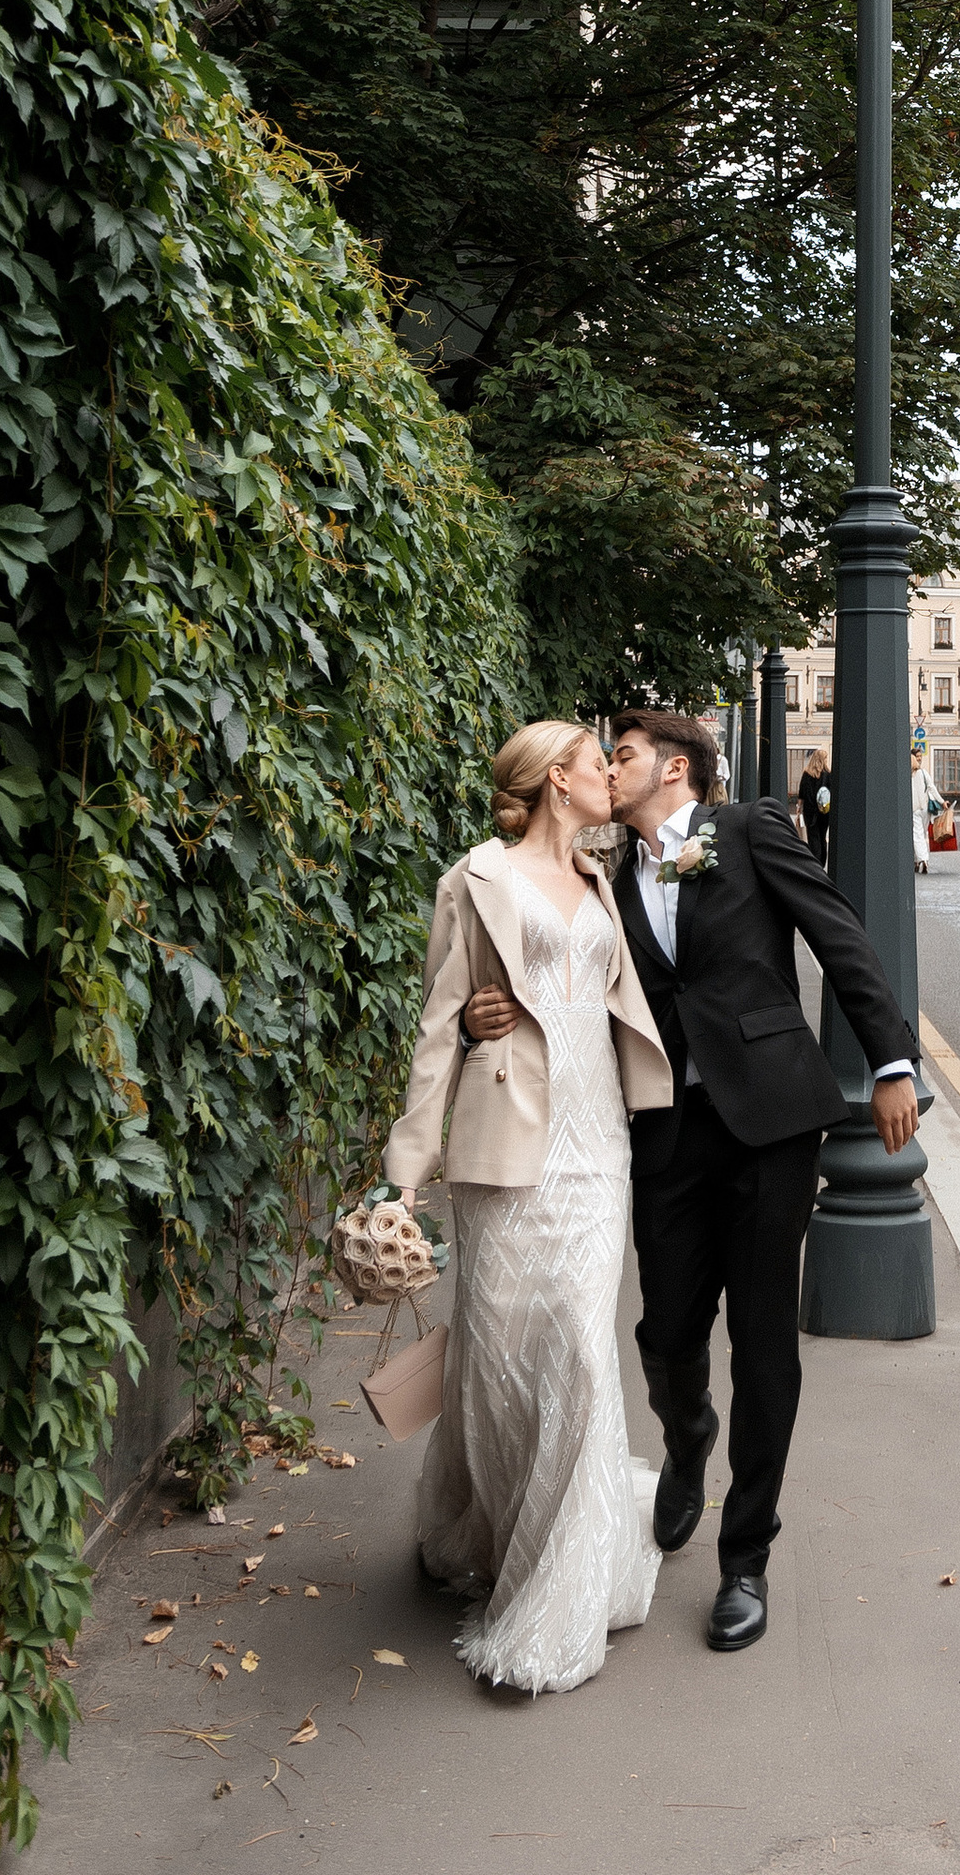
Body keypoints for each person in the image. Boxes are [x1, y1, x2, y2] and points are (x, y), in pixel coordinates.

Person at [460, 705, 916, 1659]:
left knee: (762, 1337)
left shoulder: (749, 831)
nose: (608, 769)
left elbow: (839, 937)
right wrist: (481, 1018)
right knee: (664, 1331)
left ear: (673, 771)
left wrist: (890, 1063)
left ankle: (745, 1557)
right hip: (663, 1132)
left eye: (619, 755)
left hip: (771, 1126)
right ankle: (688, 1434)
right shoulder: (602, 874)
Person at [382, 720, 673, 1694]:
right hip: (506, 1151)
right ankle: (490, 1525)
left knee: (583, 1361)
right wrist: (404, 1173)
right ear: (559, 779)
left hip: (600, 1150)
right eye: (600, 764)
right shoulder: (478, 880)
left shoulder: (607, 878)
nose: (612, 778)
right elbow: (439, 1025)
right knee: (502, 1364)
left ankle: (560, 1591)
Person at [795, 751, 833, 871]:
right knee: (822, 837)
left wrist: (798, 809)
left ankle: (815, 864)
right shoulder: (828, 775)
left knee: (813, 837)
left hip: (810, 811)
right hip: (824, 812)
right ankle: (821, 863)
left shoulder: (807, 774)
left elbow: (802, 794)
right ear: (822, 760)